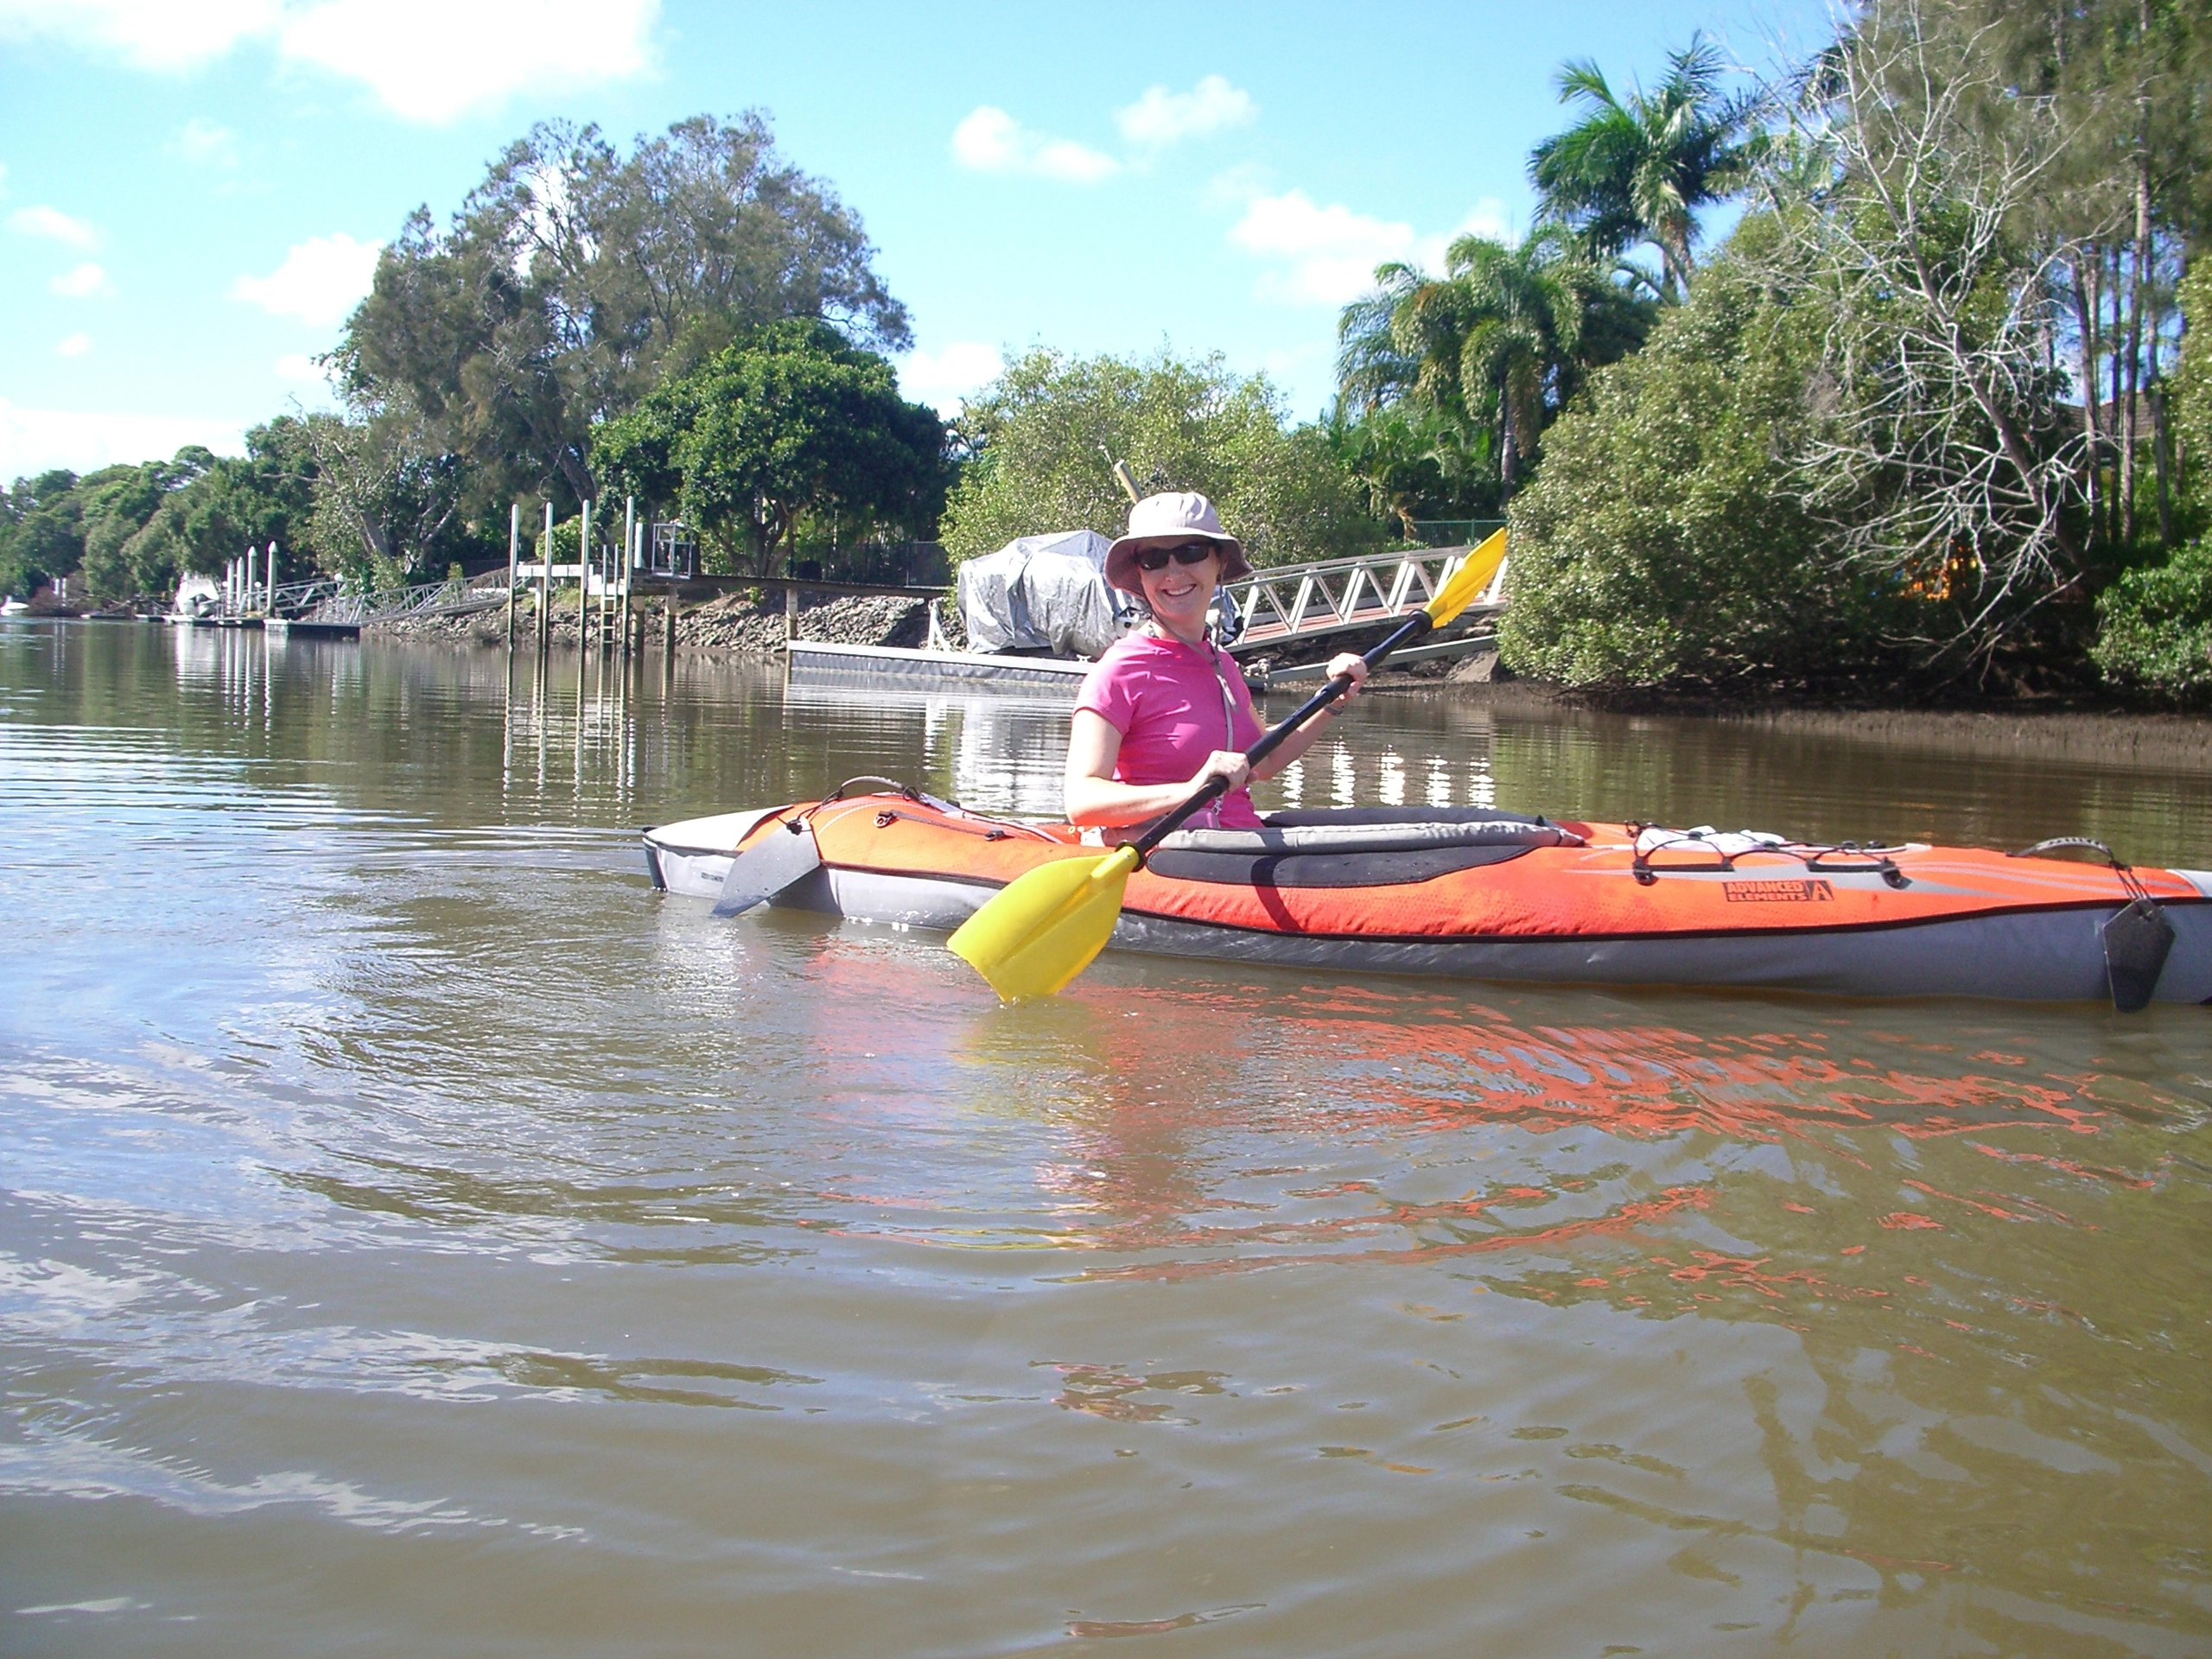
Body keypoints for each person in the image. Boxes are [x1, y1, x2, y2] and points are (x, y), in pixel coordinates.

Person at [1066, 492, 1367, 832]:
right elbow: (1081, 801)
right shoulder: (1119, 670)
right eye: (1154, 559)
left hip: (1239, 844)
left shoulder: (1220, 662)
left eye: (1190, 552)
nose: (1174, 572)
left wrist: (1331, 701)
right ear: (1140, 572)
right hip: (1175, 856)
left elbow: (1264, 760)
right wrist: (1188, 791)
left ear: (1219, 562)